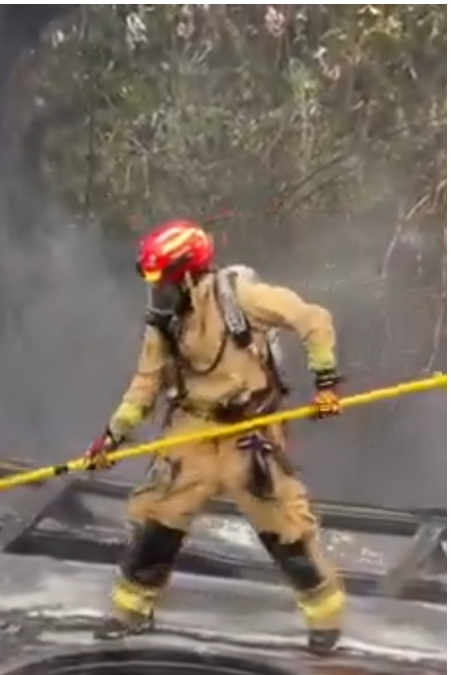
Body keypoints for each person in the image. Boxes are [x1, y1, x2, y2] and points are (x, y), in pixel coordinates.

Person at [84, 218, 346, 655]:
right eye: (152, 281)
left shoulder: (240, 297)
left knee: (285, 528)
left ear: (188, 274)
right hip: (193, 428)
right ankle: (131, 611)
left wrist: (326, 382)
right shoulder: (163, 321)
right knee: (158, 519)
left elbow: (313, 319)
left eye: (164, 279)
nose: (157, 290)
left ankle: (325, 620)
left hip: (248, 428)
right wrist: (112, 437)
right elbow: (145, 385)